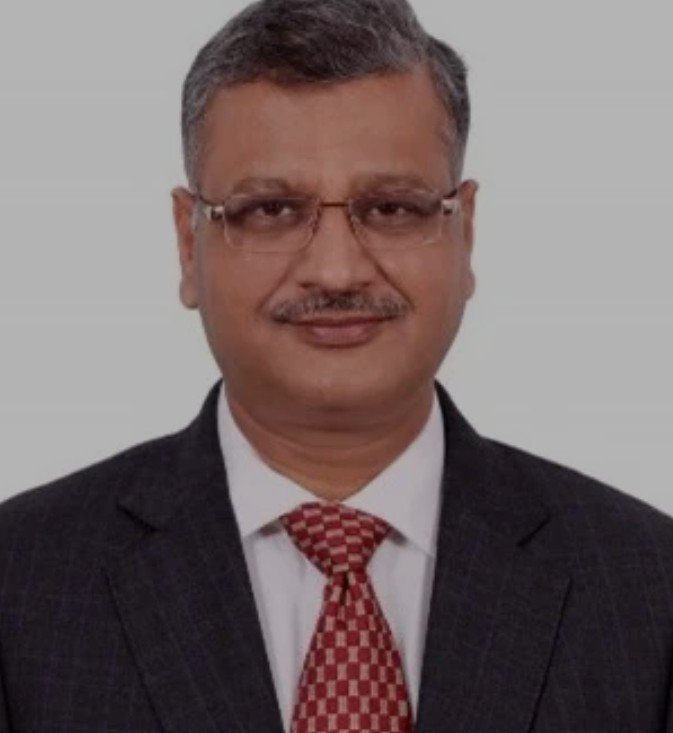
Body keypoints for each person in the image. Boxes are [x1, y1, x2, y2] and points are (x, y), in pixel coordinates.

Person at [1, 0, 672, 730]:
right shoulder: (22, 582)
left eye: (390, 209)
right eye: (271, 211)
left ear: (466, 232)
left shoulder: (646, 586)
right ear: (188, 244)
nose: (335, 269)